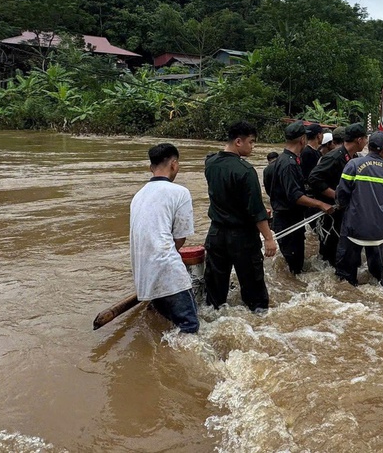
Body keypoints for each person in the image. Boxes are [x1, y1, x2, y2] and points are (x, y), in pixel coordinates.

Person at [203, 121, 277, 311]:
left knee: (215, 291)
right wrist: (269, 238)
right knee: (254, 290)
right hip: (242, 237)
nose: (253, 147)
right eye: (251, 142)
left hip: (216, 234)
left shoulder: (210, 163)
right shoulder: (246, 171)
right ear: (238, 142)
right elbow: (256, 211)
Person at [129, 143, 198, 332]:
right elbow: (180, 238)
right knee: (189, 328)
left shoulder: (138, 195)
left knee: (165, 328)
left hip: (144, 275)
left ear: (151, 167)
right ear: (174, 164)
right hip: (168, 272)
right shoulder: (179, 192)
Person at [268, 121, 335, 274]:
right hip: (287, 220)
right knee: (295, 267)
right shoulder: (289, 164)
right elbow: (295, 196)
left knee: (294, 266)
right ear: (302, 140)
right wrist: (320, 204)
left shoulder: (286, 159)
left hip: (290, 219)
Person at [335, 131, 383, 288]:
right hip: (379, 231)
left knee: (345, 277)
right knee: (377, 275)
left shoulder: (354, 165)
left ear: (368, 147)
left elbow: (342, 194)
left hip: (354, 229)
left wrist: (341, 206)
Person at [308, 123, 368, 265]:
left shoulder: (354, 157)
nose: (366, 142)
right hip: (331, 213)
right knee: (330, 251)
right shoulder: (334, 157)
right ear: (359, 140)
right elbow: (313, 179)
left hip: (344, 212)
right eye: (366, 138)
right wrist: (336, 195)